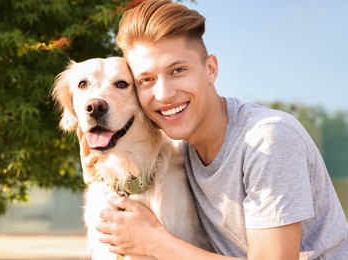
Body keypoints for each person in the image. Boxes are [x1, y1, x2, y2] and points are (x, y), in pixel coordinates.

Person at [94, 0, 348, 259]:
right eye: (147, 80)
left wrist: (153, 241)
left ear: (211, 69)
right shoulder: (178, 148)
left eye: (178, 70)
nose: (164, 94)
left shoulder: (267, 139)